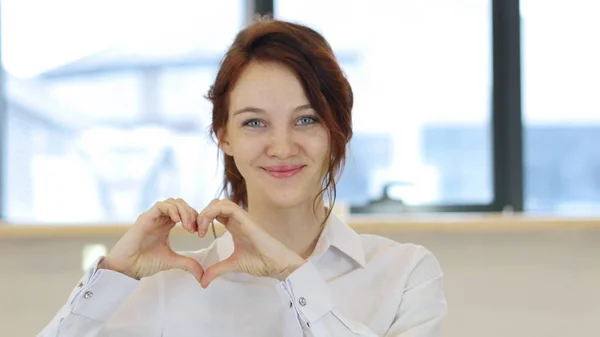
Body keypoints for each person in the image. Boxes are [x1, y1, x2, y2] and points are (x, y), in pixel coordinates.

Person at [38, 17, 447, 337]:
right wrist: (114, 274)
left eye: (306, 119)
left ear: (336, 129)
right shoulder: (172, 287)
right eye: (254, 123)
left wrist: (294, 275)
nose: (282, 147)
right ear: (224, 136)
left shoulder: (405, 272)